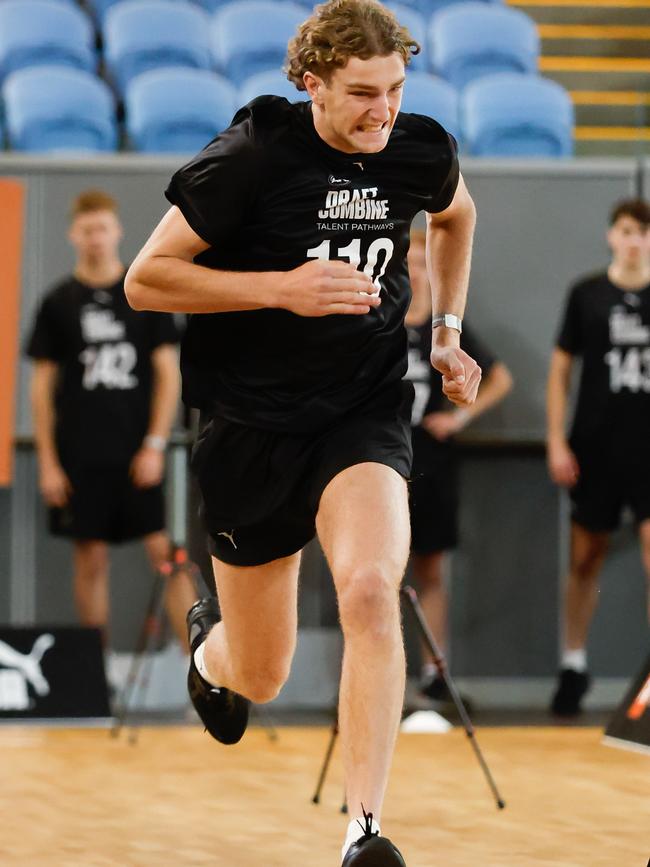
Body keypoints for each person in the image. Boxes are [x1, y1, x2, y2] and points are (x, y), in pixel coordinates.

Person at [125, 2, 480, 863]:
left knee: (368, 587)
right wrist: (278, 287)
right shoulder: (253, 156)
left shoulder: (418, 148)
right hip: (250, 429)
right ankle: (211, 656)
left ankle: (363, 830)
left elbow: (458, 216)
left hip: (361, 410)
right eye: (362, 93)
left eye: (395, 89)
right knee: (262, 672)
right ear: (311, 83)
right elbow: (147, 280)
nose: (382, 111)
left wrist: (445, 334)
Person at [27, 189, 197, 658]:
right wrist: (48, 463)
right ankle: (93, 672)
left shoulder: (141, 295)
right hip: (79, 452)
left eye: (103, 228)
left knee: (166, 555)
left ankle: (201, 668)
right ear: (73, 235)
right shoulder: (58, 303)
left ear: (117, 231)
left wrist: (155, 444)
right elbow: (41, 389)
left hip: (137, 450)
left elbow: (168, 374)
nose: (96, 238)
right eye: (87, 230)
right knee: (90, 556)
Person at [547, 197, 650, 717]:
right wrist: (556, 440)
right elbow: (561, 371)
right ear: (613, 236)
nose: (635, 240)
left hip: (648, 450)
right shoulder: (586, 294)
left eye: (644, 232)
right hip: (596, 446)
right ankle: (573, 663)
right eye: (627, 230)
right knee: (586, 558)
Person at [405, 228, 512, 705]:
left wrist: (459, 418)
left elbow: (499, 377)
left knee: (431, 569)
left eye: (424, 262)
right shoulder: (378, 319)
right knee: (370, 571)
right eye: (409, 261)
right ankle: (369, 671)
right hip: (374, 456)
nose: (415, 270)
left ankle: (433, 670)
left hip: (430, 458)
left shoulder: (445, 331)